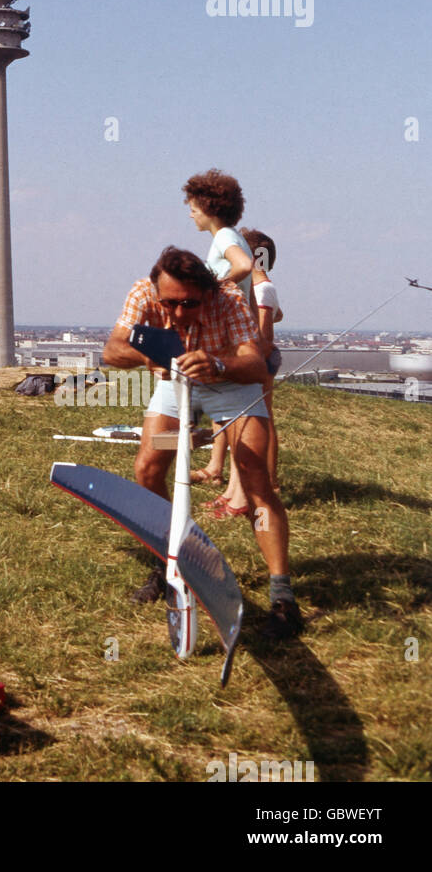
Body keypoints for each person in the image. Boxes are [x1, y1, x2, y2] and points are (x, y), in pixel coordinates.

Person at [102, 246, 301, 639]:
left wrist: (217, 364)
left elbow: (256, 364)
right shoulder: (143, 292)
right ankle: (170, 564)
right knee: (147, 470)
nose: (176, 313)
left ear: (207, 292)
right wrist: (149, 360)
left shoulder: (228, 300)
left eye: (188, 304)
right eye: (169, 304)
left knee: (256, 480)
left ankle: (283, 597)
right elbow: (112, 349)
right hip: (174, 383)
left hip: (232, 385)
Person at [184, 169, 254, 489]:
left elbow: (243, 266)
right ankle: (215, 468)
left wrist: (211, 289)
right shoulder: (232, 235)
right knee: (221, 403)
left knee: (229, 407)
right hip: (233, 332)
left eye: (194, 209)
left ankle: (235, 489)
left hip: (226, 334)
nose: (191, 215)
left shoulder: (224, 236)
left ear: (210, 210)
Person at [208, 229, 283, 512]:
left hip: (257, 364)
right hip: (256, 361)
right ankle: (237, 490)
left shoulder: (262, 289)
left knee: (257, 424)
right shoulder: (267, 288)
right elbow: (278, 315)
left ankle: (266, 485)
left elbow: (264, 335)